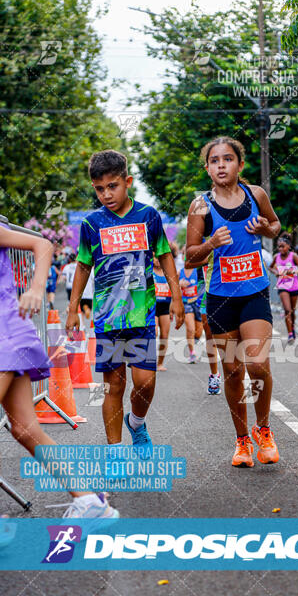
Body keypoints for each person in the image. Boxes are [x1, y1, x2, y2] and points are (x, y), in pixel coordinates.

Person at [66, 150, 184, 454]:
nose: (106, 194)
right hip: (107, 319)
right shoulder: (91, 224)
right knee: (114, 386)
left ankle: (137, 422)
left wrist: (176, 297)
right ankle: (115, 452)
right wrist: (72, 309)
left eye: (113, 186)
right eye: (99, 188)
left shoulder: (148, 216)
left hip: (141, 316)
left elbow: (165, 256)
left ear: (127, 181)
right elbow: (82, 266)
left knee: (144, 383)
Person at [0, 221, 118, 519]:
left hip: (5, 334)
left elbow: (43, 244)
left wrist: (36, 289)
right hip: (12, 335)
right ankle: (89, 501)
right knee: (26, 429)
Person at [186, 136, 281, 468]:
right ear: (208, 167)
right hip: (220, 299)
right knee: (230, 370)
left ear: (240, 165)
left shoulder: (256, 195)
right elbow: (189, 258)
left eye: (228, 159)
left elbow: (275, 225)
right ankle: (242, 442)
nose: (221, 165)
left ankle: (264, 430)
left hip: (254, 293)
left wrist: (267, 230)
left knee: (257, 365)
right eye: (214, 160)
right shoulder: (200, 206)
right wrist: (211, 242)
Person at [185, 258, 221, 395]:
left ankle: (234, 372)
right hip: (205, 291)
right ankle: (214, 375)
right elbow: (190, 260)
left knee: (232, 334)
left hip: (229, 286)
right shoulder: (202, 239)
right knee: (210, 336)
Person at [270, 233, 298, 344]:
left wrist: (291, 271)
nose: (281, 249)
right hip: (282, 286)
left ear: (288, 246)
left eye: (283, 246)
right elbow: (271, 267)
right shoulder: (276, 257)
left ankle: (292, 328)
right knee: (287, 310)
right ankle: (290, 335)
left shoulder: (293, 256)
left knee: (292, 311)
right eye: (279, 246)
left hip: (293, 286)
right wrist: (276, 272)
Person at [179, 264, 202, 363]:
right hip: (186, 303)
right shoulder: (180, 272)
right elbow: (173, 287)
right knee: (190, 329)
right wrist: (179, 284)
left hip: (197, 303)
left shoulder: (198, 271)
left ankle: (195, 345)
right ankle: (192, 353)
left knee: (198, 332)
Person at [153, 254, 172, 371]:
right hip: (153, 308)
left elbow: (175, 290)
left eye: (159, 257)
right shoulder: (150, 271)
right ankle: (149, 360)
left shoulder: (168, 273)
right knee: (153, 333)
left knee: (164, 336)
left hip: (165, 308)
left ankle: (160, 363)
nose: (157, 260)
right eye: (155, 257)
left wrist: (173, 309)